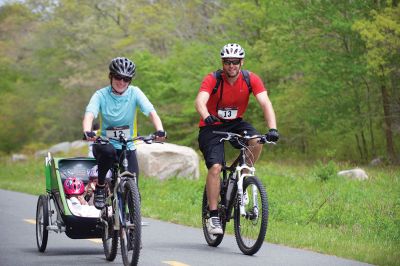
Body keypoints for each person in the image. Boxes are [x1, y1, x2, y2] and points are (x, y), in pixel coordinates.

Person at [195, 43, 279, 235]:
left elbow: (265, 102)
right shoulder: (213, 79)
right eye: (227, 62)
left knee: (257, 140)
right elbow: (200, 101)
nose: (231, 66)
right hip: (212, 126)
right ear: (222, 63)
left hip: (236, 123)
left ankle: (244, 174)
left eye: (235, 62)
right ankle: (214, 215)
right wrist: (206, 114)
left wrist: (272, 128)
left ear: (241, 62)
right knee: (215, 167)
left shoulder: (251, 79)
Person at [83, 56, 166, 210]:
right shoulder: (100, 95)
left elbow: (151, 111)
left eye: (126, 79)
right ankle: (100, 187)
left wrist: (159, 129)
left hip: (127, 145)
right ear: (111, 76)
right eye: (118, 77)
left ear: (130, 81)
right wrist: (87, 131)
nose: (121, 82)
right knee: (107, 152)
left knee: (133, 186)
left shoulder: (135, 93)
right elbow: (90, 113)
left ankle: (129, 223)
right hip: (104, 144)